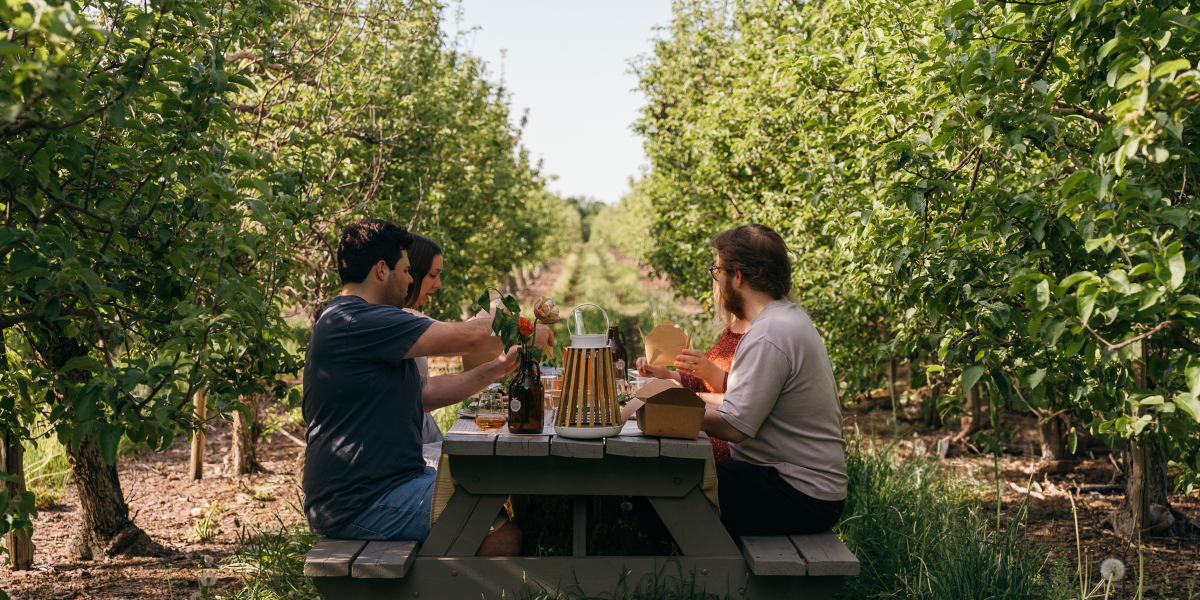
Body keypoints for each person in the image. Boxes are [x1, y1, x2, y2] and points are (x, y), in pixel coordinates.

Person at [302, 218, 553, 555]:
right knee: (501, 537)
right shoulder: (356, 320)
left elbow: (426, 394)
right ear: (381, 270)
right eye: (406, 271)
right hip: (360, 500)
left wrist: (499, 367)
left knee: (493, 497)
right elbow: (471, 337)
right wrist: (523, 327)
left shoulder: (364, 320)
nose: (411, 280)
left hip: (390, 482)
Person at [700, 224, 847, 537]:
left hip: (799, 494)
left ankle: (701, 580)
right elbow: (749, 402)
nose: (717, 281)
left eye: (717, 271)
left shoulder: (768, 334)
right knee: (683, 478)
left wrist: (670, 412)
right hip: (801, 485)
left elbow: (734, 427)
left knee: (670, 487)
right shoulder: (785, 318)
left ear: (736, 275)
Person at [636, 284, 750, 463]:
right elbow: (705, 383)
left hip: (725, 435)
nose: (717, 280)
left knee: (659, 445)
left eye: (718, 272)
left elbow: (745, 395)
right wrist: (667, 375)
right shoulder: (734, 327)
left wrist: (709, 373)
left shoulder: (759, 336)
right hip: (708, 418)